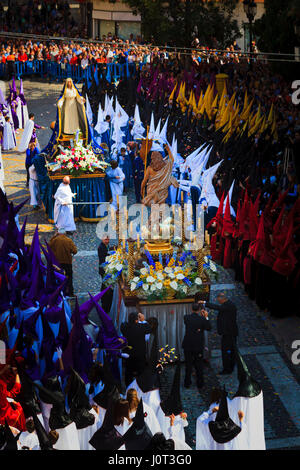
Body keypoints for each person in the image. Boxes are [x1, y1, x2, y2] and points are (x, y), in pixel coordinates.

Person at [201, 292, 238, 374]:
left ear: (223, 299)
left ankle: (227, 369)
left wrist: (205, 303)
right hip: (230, 332)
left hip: (228, 333)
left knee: (226, 351)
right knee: (231, 350)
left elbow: (217, 307)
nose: (219, 302)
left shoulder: (228, 306)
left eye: (219, 301)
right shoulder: (228, 304)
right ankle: (231, 365)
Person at [182, 303, 212, 390]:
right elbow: (209, 327)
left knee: (188, 364)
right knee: (199, 365)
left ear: (191, 309)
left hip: (188, 345)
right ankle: (200, 383)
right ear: (199, 310)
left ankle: (187, 383)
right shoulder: (202, 319)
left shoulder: (186, 317)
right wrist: (205, 317)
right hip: (198, 345)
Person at [120, 312, 152, 387]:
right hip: (140, 354)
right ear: (136, 320)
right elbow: (149, 329)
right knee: (141, 371)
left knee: (128, 372)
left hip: (129, 354)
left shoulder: (125, 327)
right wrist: (143, 320)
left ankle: (129, 387)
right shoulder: (141, 326)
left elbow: (123, 326)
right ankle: (141, 387)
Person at [48, 229, 78, 296]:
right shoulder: (68, 240)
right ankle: (70, 293)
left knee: (58, 277)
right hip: (67, 262)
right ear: (65, 233)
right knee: (69, 277)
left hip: (57, 263)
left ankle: (59, 292)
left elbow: (49, 246)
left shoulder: (55, 240)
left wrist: (54, 236)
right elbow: (75, 251)